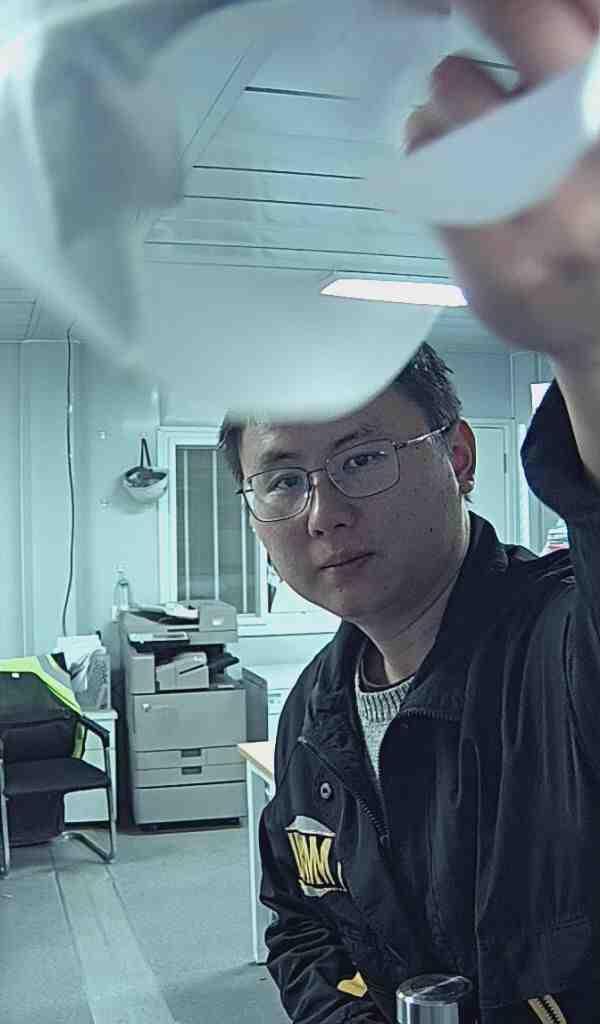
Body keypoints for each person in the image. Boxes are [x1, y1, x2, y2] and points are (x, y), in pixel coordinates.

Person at [219, 3, 600, 1020]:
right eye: (283, 479)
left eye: (362, 457)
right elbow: (301, 924)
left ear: (458, 456)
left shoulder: (564, 645)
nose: (324, 510)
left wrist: (591, 346)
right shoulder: (314, 712)